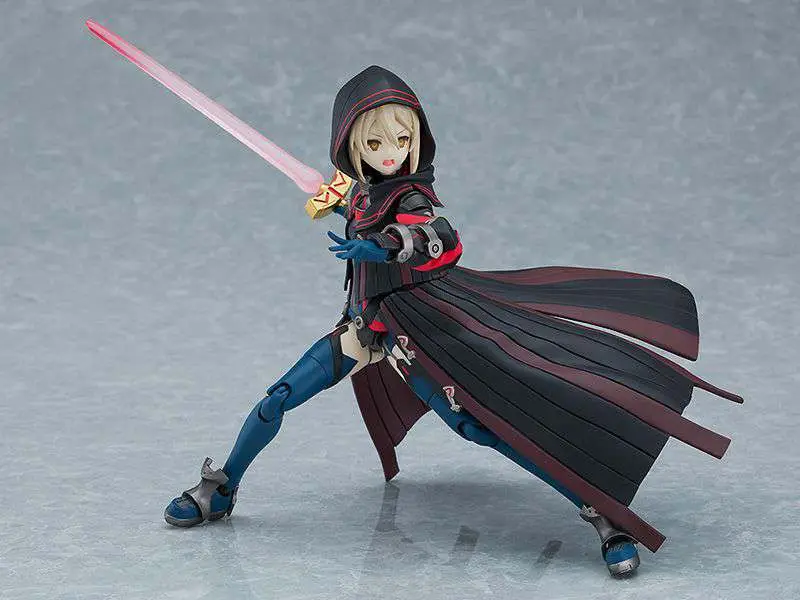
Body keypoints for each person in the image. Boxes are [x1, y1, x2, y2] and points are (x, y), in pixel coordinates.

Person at [164, 65, 742, 577]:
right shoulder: (362, 194)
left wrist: (385, 245)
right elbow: (348, 198)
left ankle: (601, 510)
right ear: (351, 145)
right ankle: (222, 488)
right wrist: (339, 201)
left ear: (417, 139)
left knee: (478, 427)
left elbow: (435, 237)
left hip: (414, 333)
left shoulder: (411, 197)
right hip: (362, 330)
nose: (390, 152)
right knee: (279, 398)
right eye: (374, 141)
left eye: (401, 138)